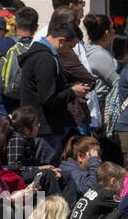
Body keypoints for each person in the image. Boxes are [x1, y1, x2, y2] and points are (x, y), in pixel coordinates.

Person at [17, 10, 92, 167]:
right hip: (45, 129)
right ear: (61, 41)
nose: (70, 51)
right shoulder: (46, 60)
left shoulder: (41, 56)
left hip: (42, 126)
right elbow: (47, 98)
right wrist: (72, 92)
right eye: (70, 47)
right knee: (46, 174)